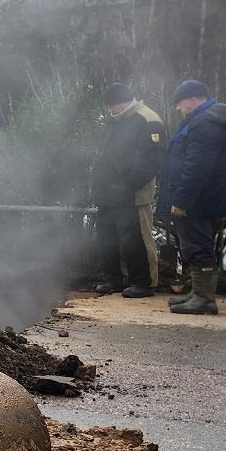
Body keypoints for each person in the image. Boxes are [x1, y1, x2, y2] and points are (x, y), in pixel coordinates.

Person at [154, 79, 226, 315]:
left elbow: (197, 166)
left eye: (179, 102)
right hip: (201, 198)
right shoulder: (203, 120)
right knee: (194, 244)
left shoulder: (205, 123)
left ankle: (204, 298)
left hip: (199, 200)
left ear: (193, 99)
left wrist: (182, 200)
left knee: (198, 245)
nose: (177, 108)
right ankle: (198, 293)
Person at [90, 83, 167, 297]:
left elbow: (152, 159)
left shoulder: (147, 119)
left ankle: (143, 282)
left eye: (112, 106)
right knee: (107, 239)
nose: (109, 110)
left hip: (132, 195)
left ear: (123, 102)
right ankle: (113, 279)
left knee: (135, 239)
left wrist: (130, 184)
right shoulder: (117, 121)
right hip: (108, 194)